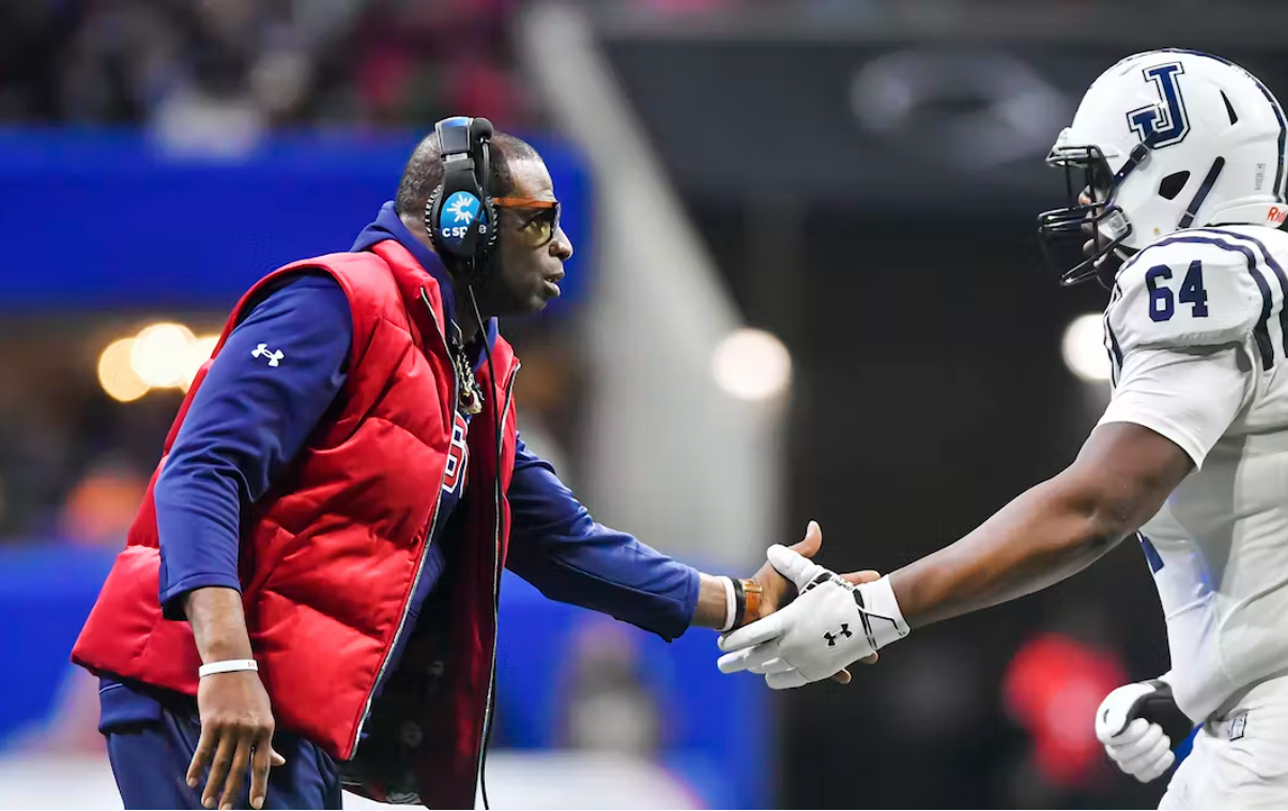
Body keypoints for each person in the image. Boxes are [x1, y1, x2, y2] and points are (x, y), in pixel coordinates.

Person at [718, 50, 1288, 809]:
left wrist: (878, 609)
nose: (1089, 204)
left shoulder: (1201, 269)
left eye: (1101, 176)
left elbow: (1097, 506)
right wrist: (1189, 685)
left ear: (1178, 174)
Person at [72, 117, 856, 810]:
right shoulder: (335, 302)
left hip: (284, 711)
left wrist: (744, 601)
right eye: (539, 221)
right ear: (464, 220)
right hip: (204, 692)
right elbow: (203, 470)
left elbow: (562, 542)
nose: (565, 243)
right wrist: (226, 661)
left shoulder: (471, 371)